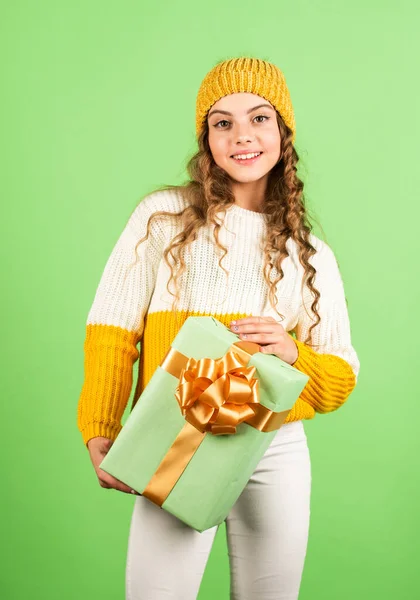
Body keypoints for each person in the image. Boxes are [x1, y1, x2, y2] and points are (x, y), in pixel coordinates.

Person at [77, 56, 360, 600]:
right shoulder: (163, 219)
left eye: (260, 118)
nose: (242, 136)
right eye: (222, 123)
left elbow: (341, 370)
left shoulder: (312, 255)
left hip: (272, 443)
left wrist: (294, 354)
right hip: (178, 431)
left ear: (284, 132)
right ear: (206, 139)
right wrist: (100, 422)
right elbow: (112, 329)